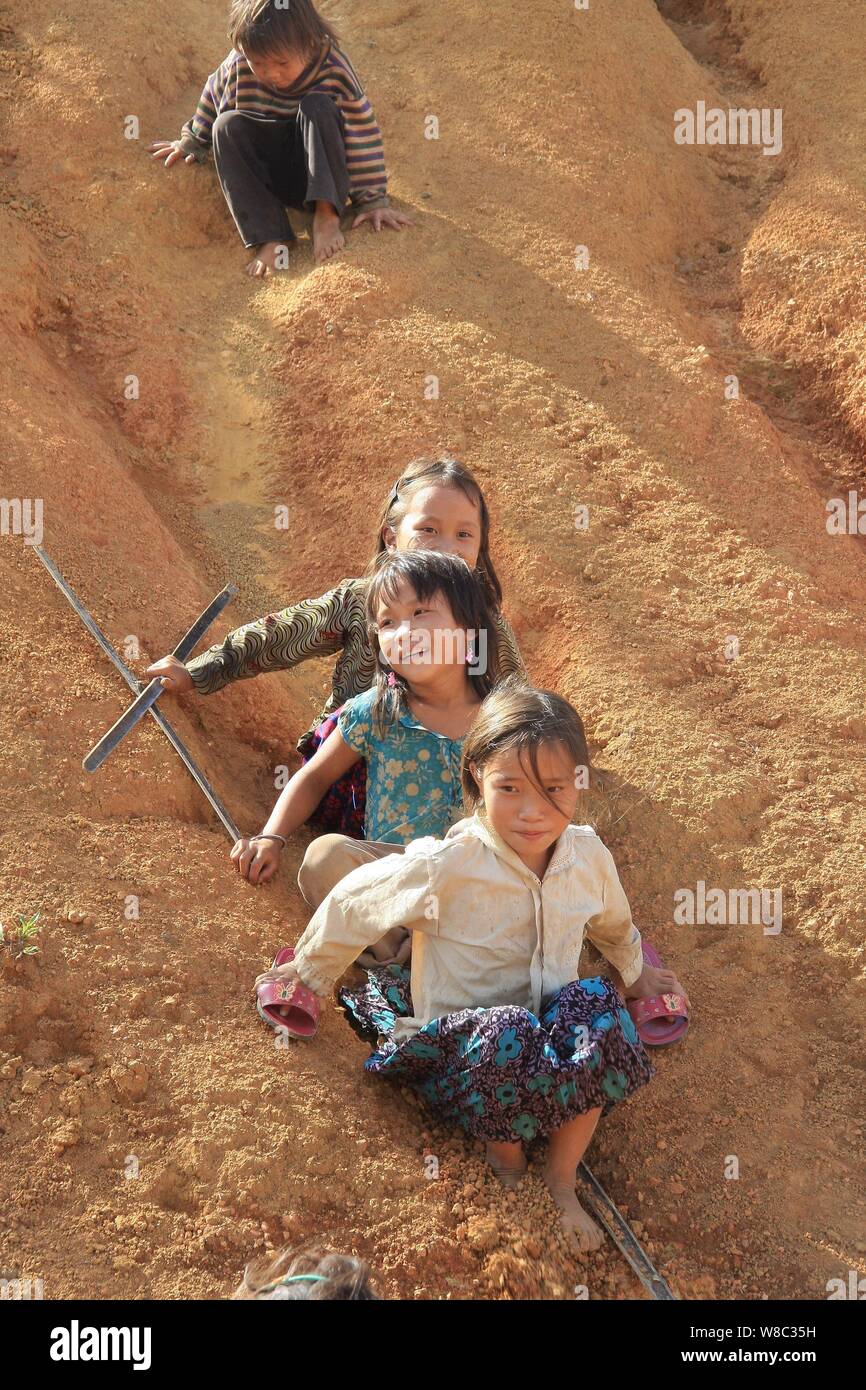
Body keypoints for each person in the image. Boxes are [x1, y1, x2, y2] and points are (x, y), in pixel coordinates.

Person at [255, 679, 688, 1249]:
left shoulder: (587, 856)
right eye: (509, 787)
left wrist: (635, 974)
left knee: (598, 1005)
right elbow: (358, 899)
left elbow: (612, 920)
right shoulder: (452, 863)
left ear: (578, 785)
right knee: (506, 1027)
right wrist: (307, 972)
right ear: (476, 778)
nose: (532, 811)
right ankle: (506, 1166)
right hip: (464, 1056)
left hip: (549, 1046)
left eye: (553, 788)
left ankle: (561, 1182)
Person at [146, 456, 525, 838]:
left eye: (464, 535)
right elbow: (281, 635)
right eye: (429, 529)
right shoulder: (361, 602)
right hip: (354, 774)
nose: (446, 547)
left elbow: (516, 704)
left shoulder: (483, 624)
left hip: (453, 778)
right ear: (391, 538)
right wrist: (200, 671)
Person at [236, 547, 502, 967]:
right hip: (391, 876)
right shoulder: (375, 710)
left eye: (420, 614)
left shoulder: (502, 718)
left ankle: (417, 958)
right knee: (324, 858)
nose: (403, 632)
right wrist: (272, 836)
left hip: (467, 877)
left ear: (469, 630)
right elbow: (314, 778)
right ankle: (400, 957)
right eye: (387, 622)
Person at [148, 0, 412, 272]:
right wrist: (192, 140)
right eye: (258, 63)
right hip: (268, 173)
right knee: (226, 125)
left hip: (321, 171)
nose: (270, 73)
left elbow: (361, 132)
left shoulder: (333, 67)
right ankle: (272, 236)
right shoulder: (238, 63)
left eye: (282, 63)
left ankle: (325, 215)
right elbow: (213, 95)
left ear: (308, 43)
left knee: (317, 107)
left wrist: (372, 200)